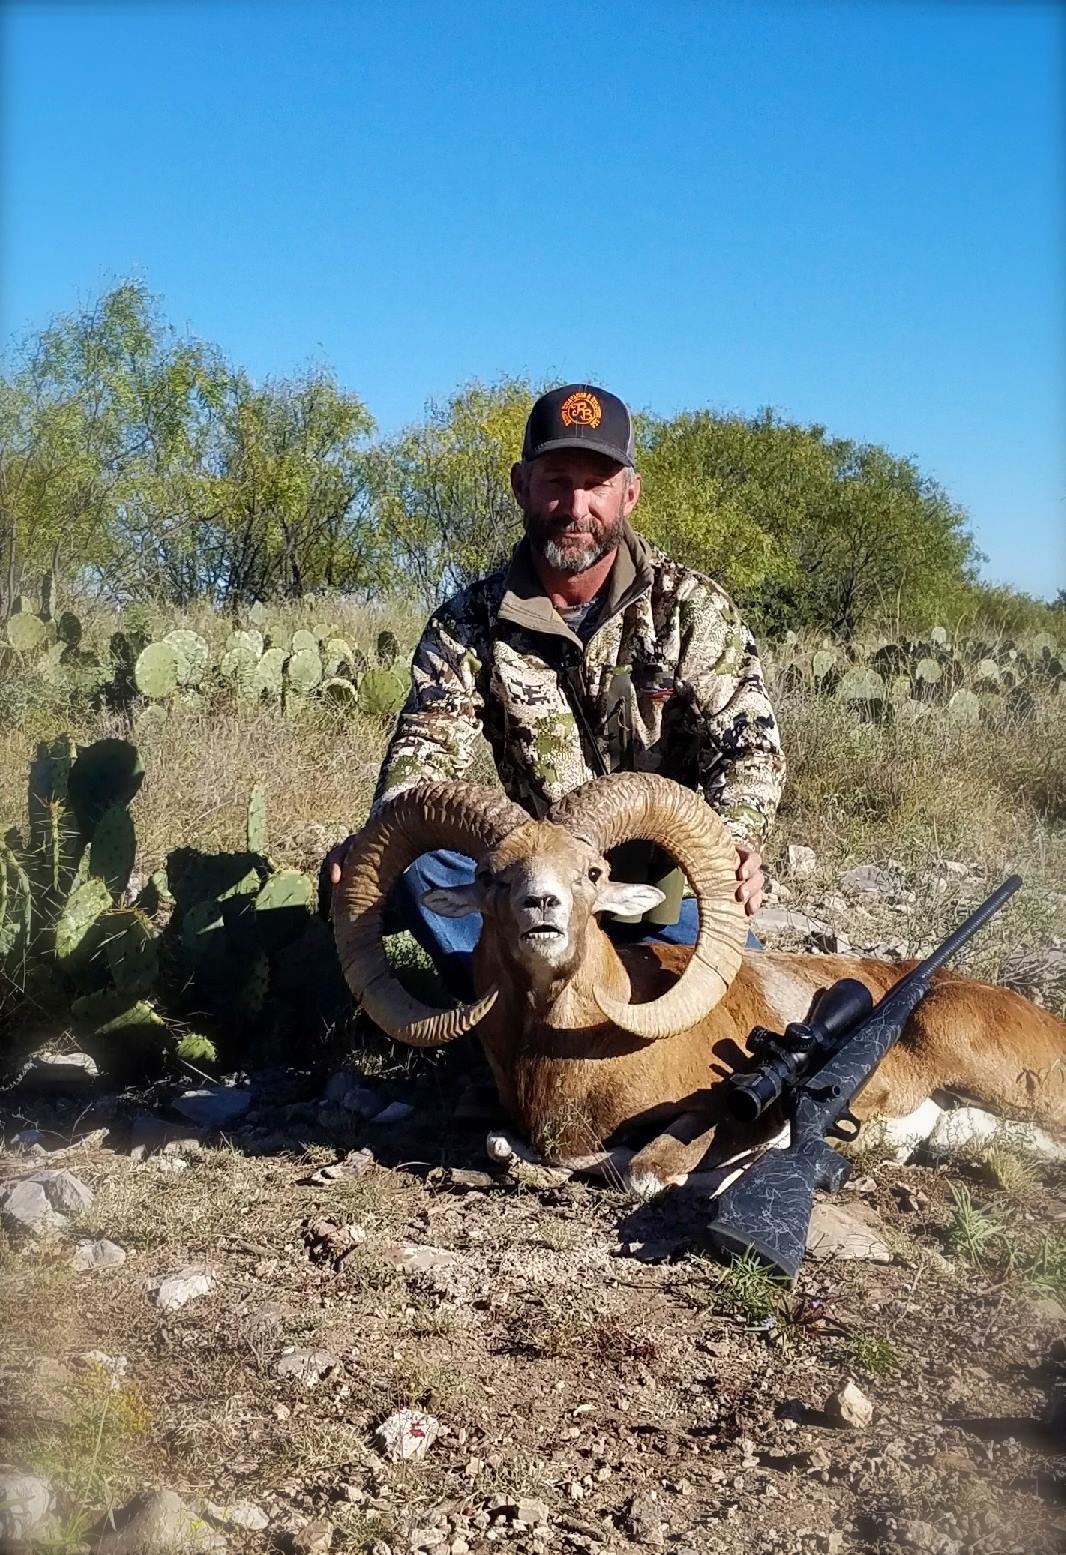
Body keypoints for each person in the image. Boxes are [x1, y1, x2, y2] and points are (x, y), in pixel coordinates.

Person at [328, 384, 785, 995]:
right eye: (556, 481)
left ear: (629, 492)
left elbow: (750, 748)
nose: (576, 507)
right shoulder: (467, 624)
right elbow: (426, 748)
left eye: (596, 484)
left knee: (735, 1007)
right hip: (535, 891)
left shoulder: (692, 609)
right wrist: (380, 835)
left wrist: (736, 837)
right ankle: (506, 1013)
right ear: (521, 486)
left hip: (660, 890)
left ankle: (559, 1000)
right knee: (414, 862)